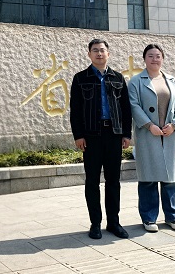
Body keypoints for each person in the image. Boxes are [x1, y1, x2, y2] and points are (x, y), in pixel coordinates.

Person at [70, 38, 132, 240]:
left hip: (113, 135)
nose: (99, 53)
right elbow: (75, 110)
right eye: (95, 50)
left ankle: (114, 222)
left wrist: (126, 134)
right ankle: (95, 223)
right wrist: (78, 135)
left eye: (102, 50)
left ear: (108, 54)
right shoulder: (80, 78)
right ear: (89, 54)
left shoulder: (118, 78)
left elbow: (125, 108)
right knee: (92, 181)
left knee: (113, 180)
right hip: (91, 137)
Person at [128, 43, 175, 232]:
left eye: (158, 55)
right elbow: (134, 105)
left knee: (170, 179)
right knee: (148, 179)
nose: (154, 59)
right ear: (144, 59)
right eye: (150, 56)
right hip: (148, 134)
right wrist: (149, 125)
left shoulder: (172, 81)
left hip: (170, 135)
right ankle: (149, 218)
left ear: (162, 58)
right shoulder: (136, 82)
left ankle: (173, 217)